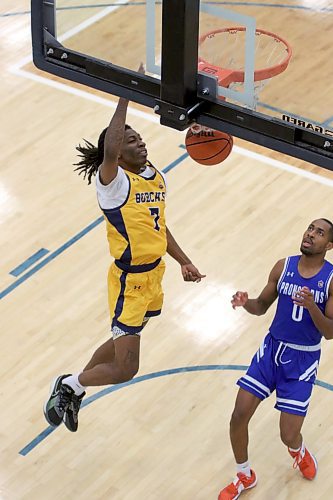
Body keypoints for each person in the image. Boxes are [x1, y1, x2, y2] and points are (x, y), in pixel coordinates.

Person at [43, 89, 205, 432]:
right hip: (129, 281)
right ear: (116, 151)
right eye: (130, 141)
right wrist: (124, 95)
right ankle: (70, 385)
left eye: (140, 138)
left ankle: (74, 388)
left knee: (124, 340)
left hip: (153, 276)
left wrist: (182, 260)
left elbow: (157, 225)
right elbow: (113, 143)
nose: (140, 144)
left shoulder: (154, 176)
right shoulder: (113, 183)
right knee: (126, 369)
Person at [219, 218, 333, 500]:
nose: (311, 235)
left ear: (329, 246)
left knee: (288, 434)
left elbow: (330, 332)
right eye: (310, 228)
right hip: (271, 351)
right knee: (238, 416)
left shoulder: (331, 279)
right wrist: (247, 303)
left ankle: (298, 451)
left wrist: (311, 307)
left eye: (319, 233)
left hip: (302, 362)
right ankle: (245, 475)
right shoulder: (283, 266)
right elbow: (261, 307)